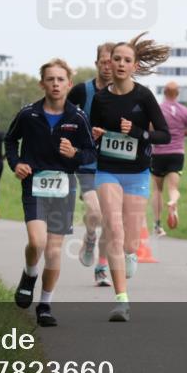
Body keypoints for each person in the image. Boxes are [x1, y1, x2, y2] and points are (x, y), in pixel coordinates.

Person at [6, 59, 95, 327]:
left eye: (60, 80)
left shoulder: (77, 117)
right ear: (42, 83)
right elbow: (10, 141)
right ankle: (29, 274)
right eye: (50, 79)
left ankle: (45, 304)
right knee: (37, 242)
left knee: (54, 251)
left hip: (63, 188)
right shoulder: (28, 114)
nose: (55, 84)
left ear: (69, 84)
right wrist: (16, 163)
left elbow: (91, 152)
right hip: (33, 185)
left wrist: (75, 153)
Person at [90, 33, 171, 322]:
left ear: (134, 66)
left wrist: (137, 132)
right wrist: (95, 134)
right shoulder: (100, 98)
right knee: (113, 227)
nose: (121, 64)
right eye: (117, 59)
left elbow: (164, 134)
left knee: (130, 241)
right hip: (108, 168)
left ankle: (131, 253)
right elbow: (92, 132)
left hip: (137, 173)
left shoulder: (144, 96)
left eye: (127, 60)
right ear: (109, 64)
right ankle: (121, 299)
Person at [67, 42, 115, 287]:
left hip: (113, 164)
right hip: (86, 162)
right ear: (97, 63)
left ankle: (101, 267)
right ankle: (89, 237)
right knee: (95, 213)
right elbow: (64, 119)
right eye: (104, 62)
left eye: (112, 61)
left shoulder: (124, 93)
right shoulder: (81, 92)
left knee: (109, 217)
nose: (108, 67)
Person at [150, 82, 187, 235]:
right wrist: (181, 132)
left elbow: (150, 128)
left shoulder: (158, 109)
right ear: (177, 94)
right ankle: (173, 202)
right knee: (173, 188)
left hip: (158, 153)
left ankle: (157, 225)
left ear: (164, 93)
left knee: (157, 189)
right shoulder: (184, 111)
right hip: (177, 153)